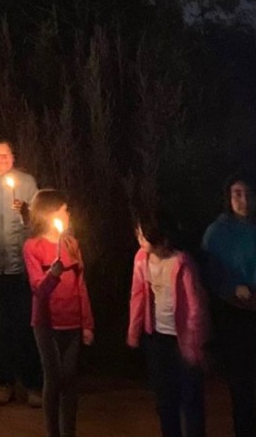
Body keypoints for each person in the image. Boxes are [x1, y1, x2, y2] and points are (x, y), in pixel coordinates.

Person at [128, 213, 207, 437]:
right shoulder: (141, 259)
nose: (140, 240)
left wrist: (194, 344)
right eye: (139, 234)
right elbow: (137, 296)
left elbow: (195, 307)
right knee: (164, 398)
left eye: (144, 236)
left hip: (183, 339)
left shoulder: (182, 262)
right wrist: (134, 332)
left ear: (162, 239)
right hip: (157, 337)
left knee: (191, 398)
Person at [23, 190, 94, 437]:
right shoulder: (33, 247)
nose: (68, 214)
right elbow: (38, 290)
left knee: (70, 380)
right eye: (64, 210)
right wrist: (52, 275)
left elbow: (81, 285)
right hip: (46, 324)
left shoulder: (71, 244)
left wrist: (87, 324)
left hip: (72, 322)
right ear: (50, 213)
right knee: (53, 378)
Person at [0, 140, 42, 407]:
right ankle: (4, 382)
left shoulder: (27, 183)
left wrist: (27, 214)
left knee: (25, 327)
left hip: (20, 268)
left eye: (8, 155)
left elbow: (38, 225)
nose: (3, 159)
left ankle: (32, 383)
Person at [201, 174, 256, 437]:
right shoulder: (217, 232)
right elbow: (210, 272)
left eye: (247, 194)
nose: (243, 200)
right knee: (242, 386)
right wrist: (233, 287)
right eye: (237, 194)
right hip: (235, 316)